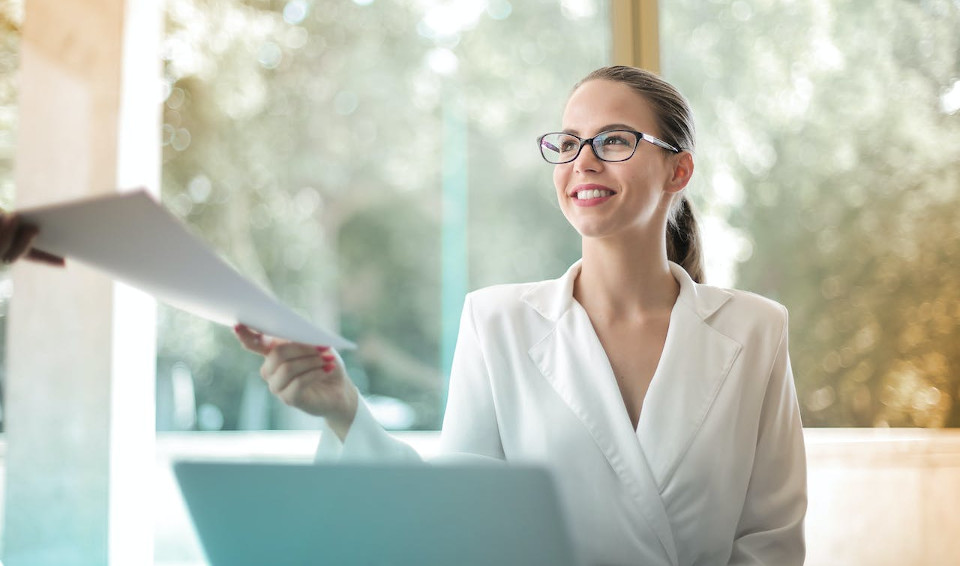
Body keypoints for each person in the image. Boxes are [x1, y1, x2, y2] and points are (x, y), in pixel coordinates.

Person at [3, 65, 806, 565]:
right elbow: (453, 521)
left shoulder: (753, 331)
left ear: (680, 170)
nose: (582, 160)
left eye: (615, 139)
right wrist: (342, 409)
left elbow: (769, 543)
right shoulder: (498, 322)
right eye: (565, 143)